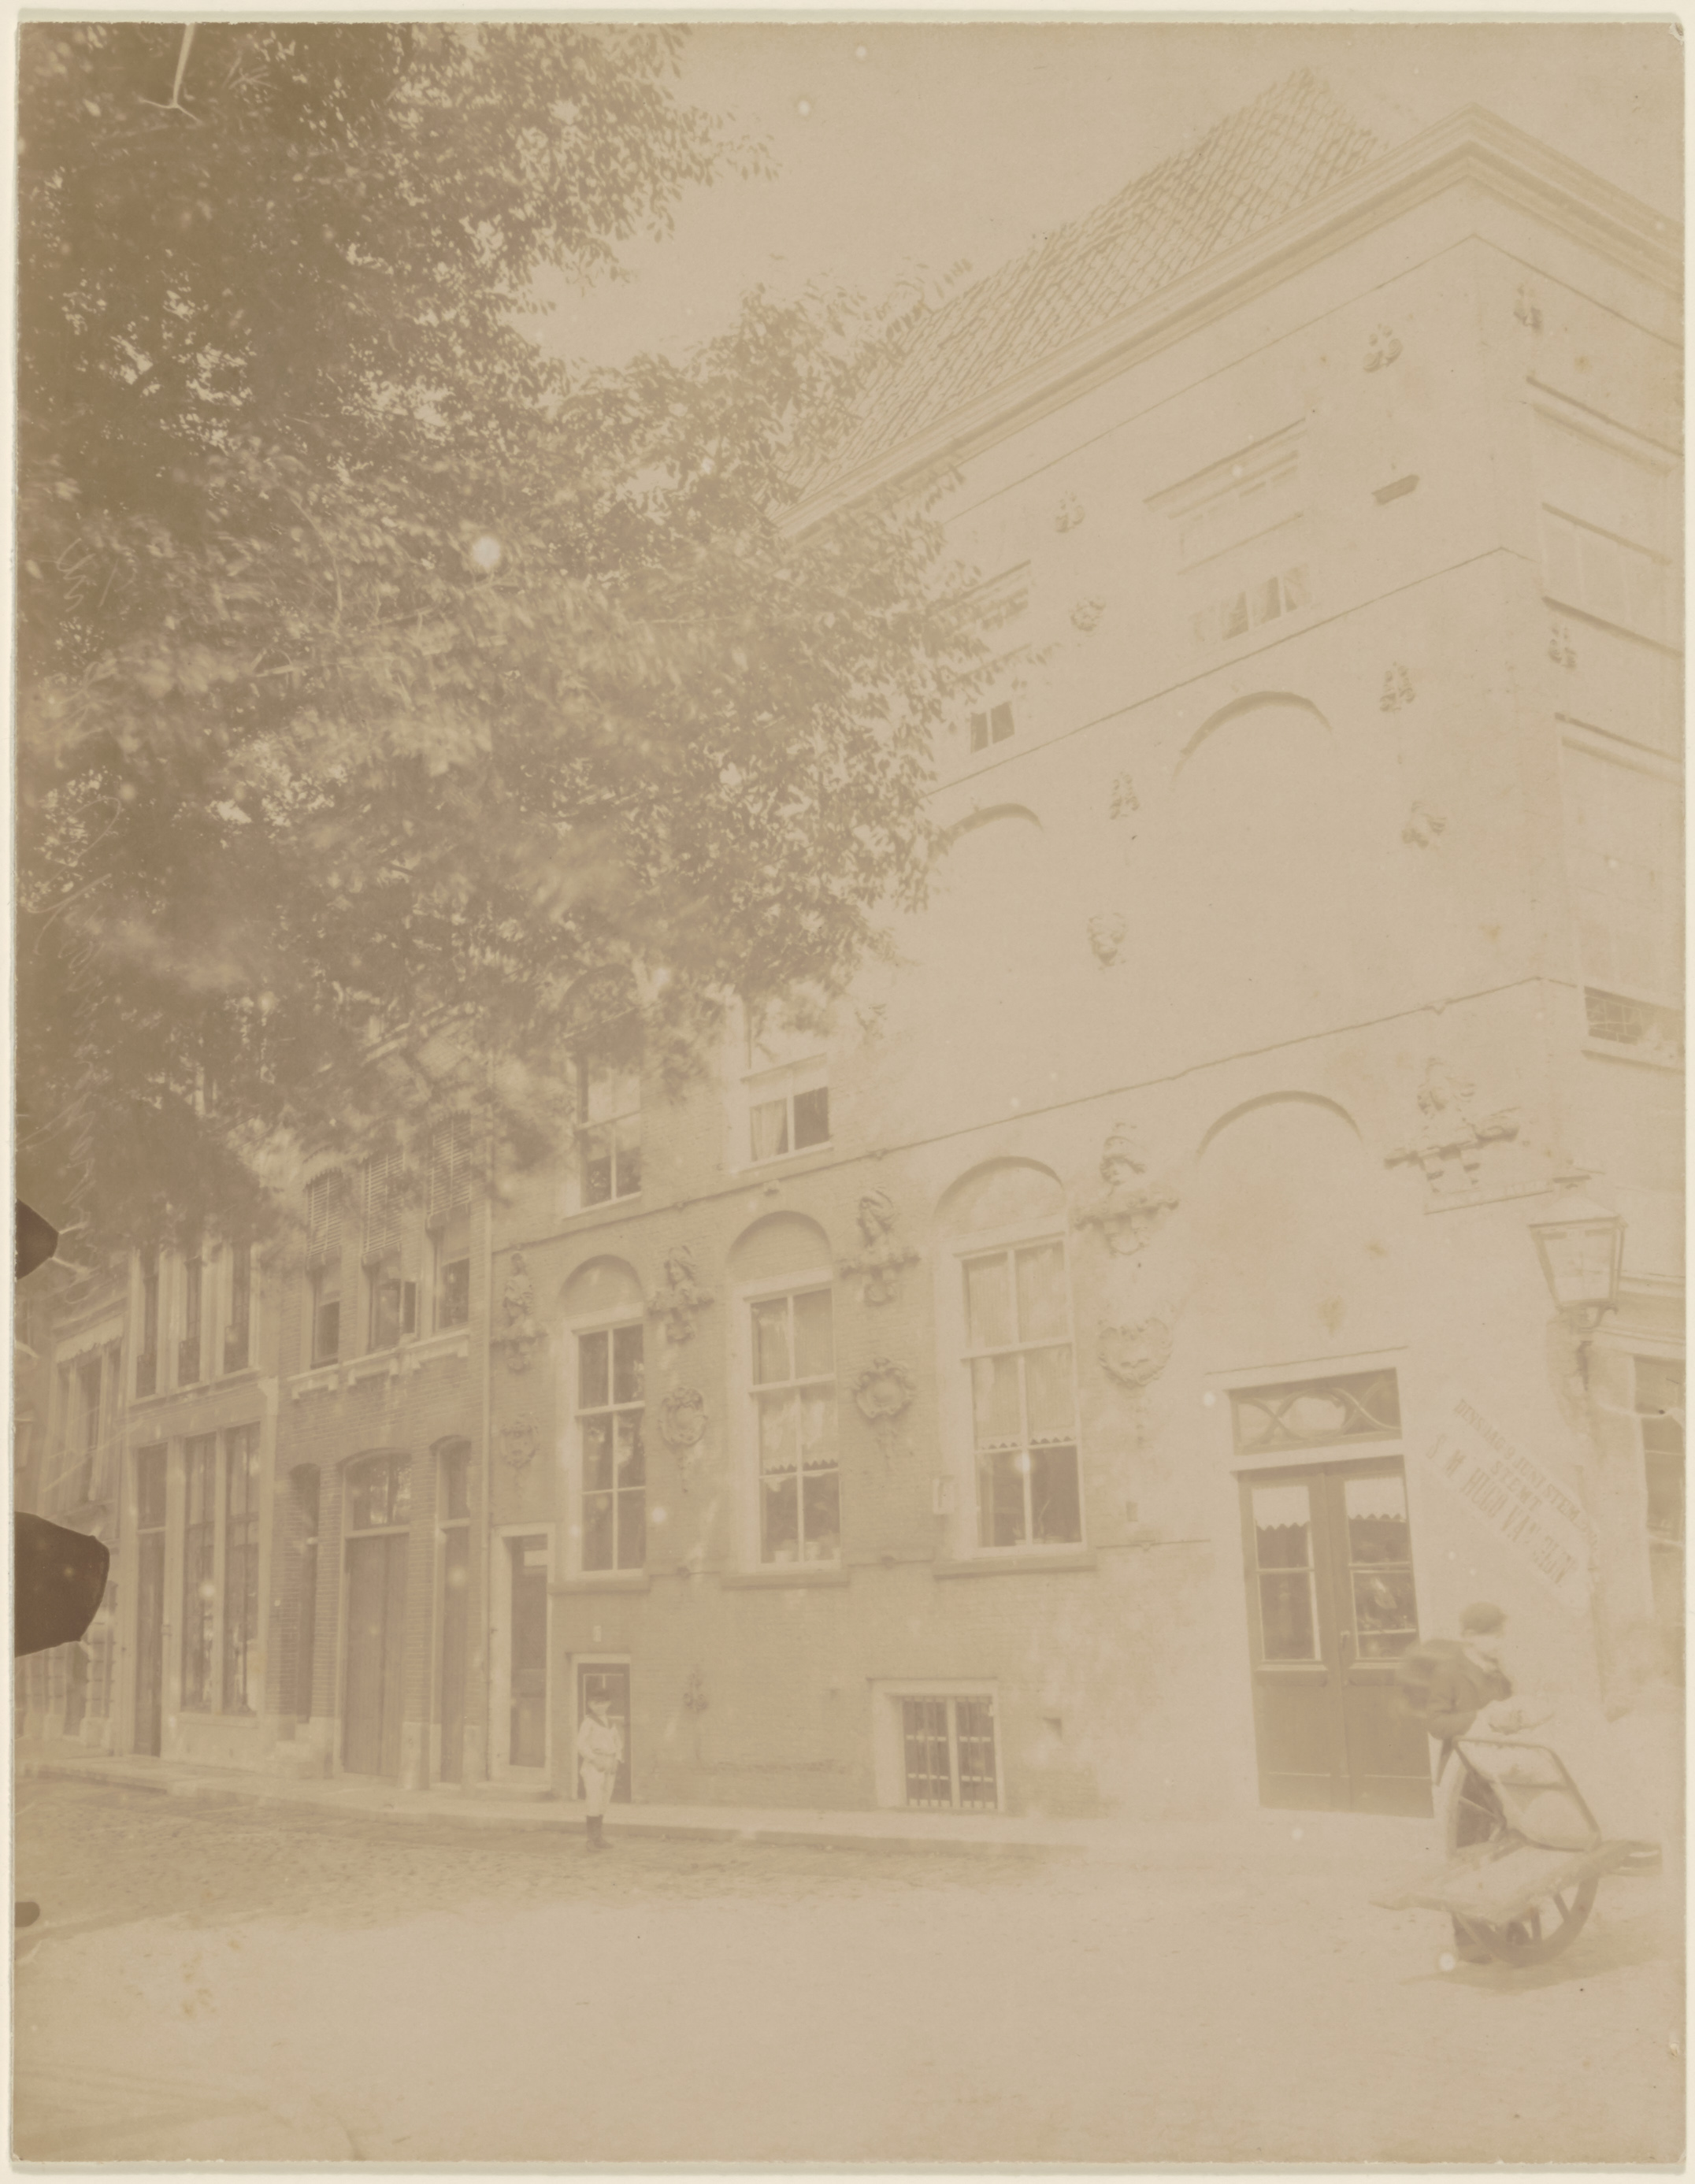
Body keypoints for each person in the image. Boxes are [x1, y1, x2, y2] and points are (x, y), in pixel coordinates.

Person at [576, 1691, 623, 1851]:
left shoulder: (611, 1723)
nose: (600, 1706)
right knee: (594, 1799)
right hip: (594, 1763)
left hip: (609, 1762)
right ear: (590, 1704)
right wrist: (594, 1760)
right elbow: (581, 1744)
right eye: (596, 1703)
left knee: (604, 1800)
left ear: (609, 1703)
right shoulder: (588, 1722)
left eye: (603, 1702)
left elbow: (618, 1743)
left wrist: (616, 1760)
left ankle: (599, 1838)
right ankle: (591, 1840)